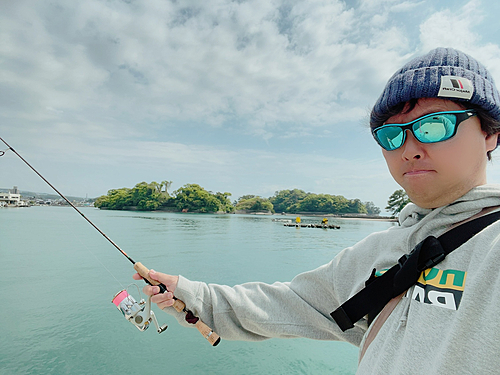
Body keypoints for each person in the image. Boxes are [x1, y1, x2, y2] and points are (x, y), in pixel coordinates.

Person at [133, 47, 500, 374]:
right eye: (392, 135)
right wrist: (190, 293)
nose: (409, 149)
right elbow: (289, 304)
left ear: (489, 133)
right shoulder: (377, 252)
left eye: (433, 125)